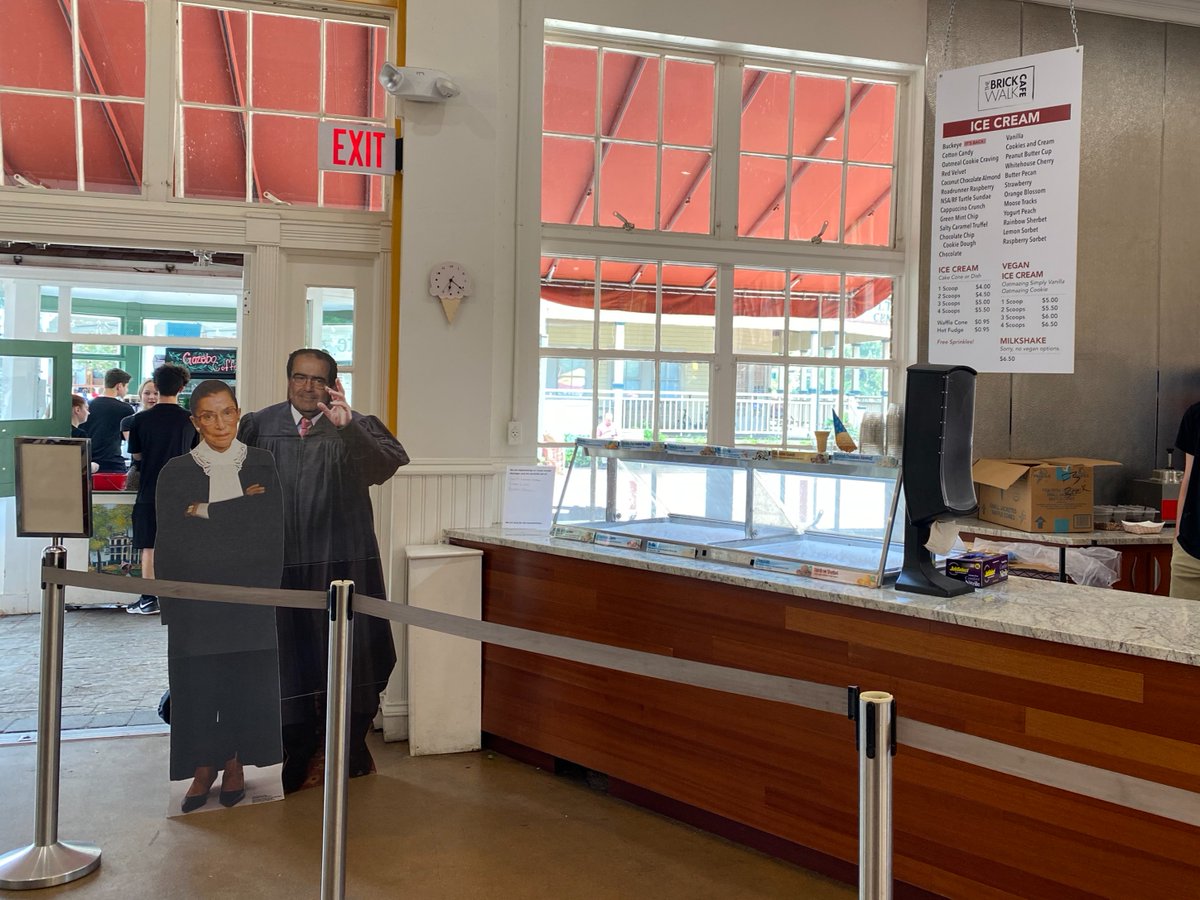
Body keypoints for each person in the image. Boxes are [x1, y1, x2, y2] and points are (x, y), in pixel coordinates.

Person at [238, 348, 409, 792]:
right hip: (280, 565)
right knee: (288, 657)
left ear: (333, 384)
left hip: (342, 562)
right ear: (288, 379)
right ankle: (294, 748)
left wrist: (347, 428)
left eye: (318, 380)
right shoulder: (260, 425)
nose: (308, 387)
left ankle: (347, 747)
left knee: (350, 653)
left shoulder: (355, 425)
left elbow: (383, 468)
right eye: (300, 377)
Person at [155, 380, 284, 813]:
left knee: (242, 683)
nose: (219, 423)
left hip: (250, 598)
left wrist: (204, 511)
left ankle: (234, 763)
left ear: (238, 412)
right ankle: (203, 765)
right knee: (196, 686)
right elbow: (173, 540)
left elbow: (268, 530)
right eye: (208, 415)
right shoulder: (175, 471)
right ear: (195, 421)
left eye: (226, 412)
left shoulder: (262, 463)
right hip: (194, 601)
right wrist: (169, 603)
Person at [125, 363, 196, 616]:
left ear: (156, 384)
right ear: (183, 387)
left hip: (150, 490)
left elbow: (137, 456)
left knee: (149, 546)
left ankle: (148, 599)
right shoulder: (191, 420)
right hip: (181, 493)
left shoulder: (139, 419)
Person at [79, 368, 134, 474]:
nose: (127, 390)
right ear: (119, 386)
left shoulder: (87, 405)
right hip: (112, 463)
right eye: (126, 386)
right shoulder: (125, 409)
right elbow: (128, 438)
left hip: (87, 462)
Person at [1171, 403, 1200, 600]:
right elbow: (1187, 478)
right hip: (1190, 552)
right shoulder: (1196, 414)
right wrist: (1177, 537)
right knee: (1179, 627)